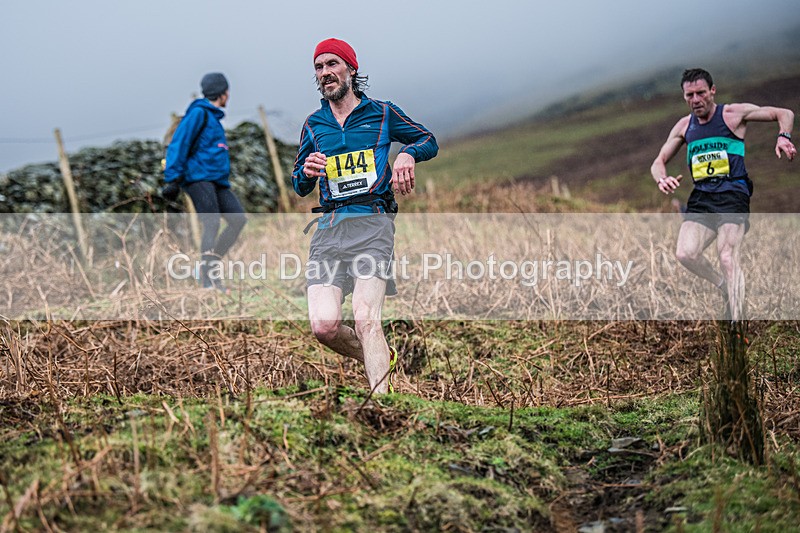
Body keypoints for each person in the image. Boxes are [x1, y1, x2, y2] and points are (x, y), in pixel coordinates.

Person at [292, 38, 438, 394]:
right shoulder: (314, 124)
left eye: (332, 64)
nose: (325, 72)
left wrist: (407, 155)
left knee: (366, 317)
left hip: (373, 224)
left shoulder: (382, 113)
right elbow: (298, 184)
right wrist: (307, 171)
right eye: (319, 67)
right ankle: (381, 357)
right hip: (328, 230)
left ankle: (384, 407)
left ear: (351, 69)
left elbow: (428, 139)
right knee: (323, 326)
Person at [651, 68, 795, 320]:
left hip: (732, 192)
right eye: (689, 95)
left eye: (701, 93)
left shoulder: (732, 114)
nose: (696, 100)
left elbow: (784, 113)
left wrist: (783, 136)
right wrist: (662, 178)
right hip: (702, 197)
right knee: (686, 253)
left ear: (712, 91)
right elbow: (658, 161)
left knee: (726, 255)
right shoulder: (685, 126)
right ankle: (724, 286)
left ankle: (736, 325)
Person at [163, 72, 247, 293]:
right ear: (223, 92)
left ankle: (209, 267)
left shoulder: (212, 117)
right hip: (198, 179)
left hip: (216, 180)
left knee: (238, 220)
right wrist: (172, 178)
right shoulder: (199, 113)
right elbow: (179, 143)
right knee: (211, 223)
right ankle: (208, 281)